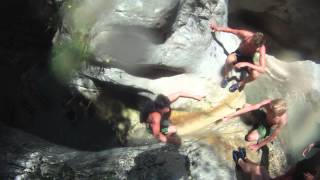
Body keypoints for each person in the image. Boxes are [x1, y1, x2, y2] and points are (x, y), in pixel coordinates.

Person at [210, 23, 267, 92]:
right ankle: (226, 77)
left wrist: (246, 64)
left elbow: (262, 69)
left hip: (248, 59)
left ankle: (239, 84)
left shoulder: (261, 48)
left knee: (255, 74)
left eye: (254, 46)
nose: (251, 44)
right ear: (252, 37)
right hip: (239, 54)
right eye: (251, 41)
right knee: (229, 59)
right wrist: (218, 28)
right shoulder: (246, 35)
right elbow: (232, 30)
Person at [223, 99, 288, 151]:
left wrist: (257, 146)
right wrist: (231, 116)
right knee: (246, 106)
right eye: (270, 108)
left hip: (266, 126)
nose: (269, 110)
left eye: (272, 112)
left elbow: (272, 137)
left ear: (278, 115)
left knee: (250, 138)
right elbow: (251, 108)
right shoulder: (268, 103)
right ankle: (254, 124)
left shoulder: (282, 120)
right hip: (262, 116)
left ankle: (256, 130)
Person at [141, 92, 205, 144]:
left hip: (160, 123)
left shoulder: (165, 101)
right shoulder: (156, 116)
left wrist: (195, 96)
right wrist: (170, 141)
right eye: (165, 108)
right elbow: (157, 134)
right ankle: (164, 138)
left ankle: (166, 132)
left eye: (168, 106)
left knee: (169, 125)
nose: (168, 109)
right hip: (153, 129)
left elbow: (180, 93)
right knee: (173, 129)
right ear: (158, 108)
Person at [232, 147, 320, 180]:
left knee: (256, 170)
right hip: (305, 169)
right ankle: (245, 158)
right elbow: (285, 176)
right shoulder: (297, 172)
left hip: (309, 173)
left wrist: (314, 178)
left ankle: (239, 161)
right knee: (261, 169)